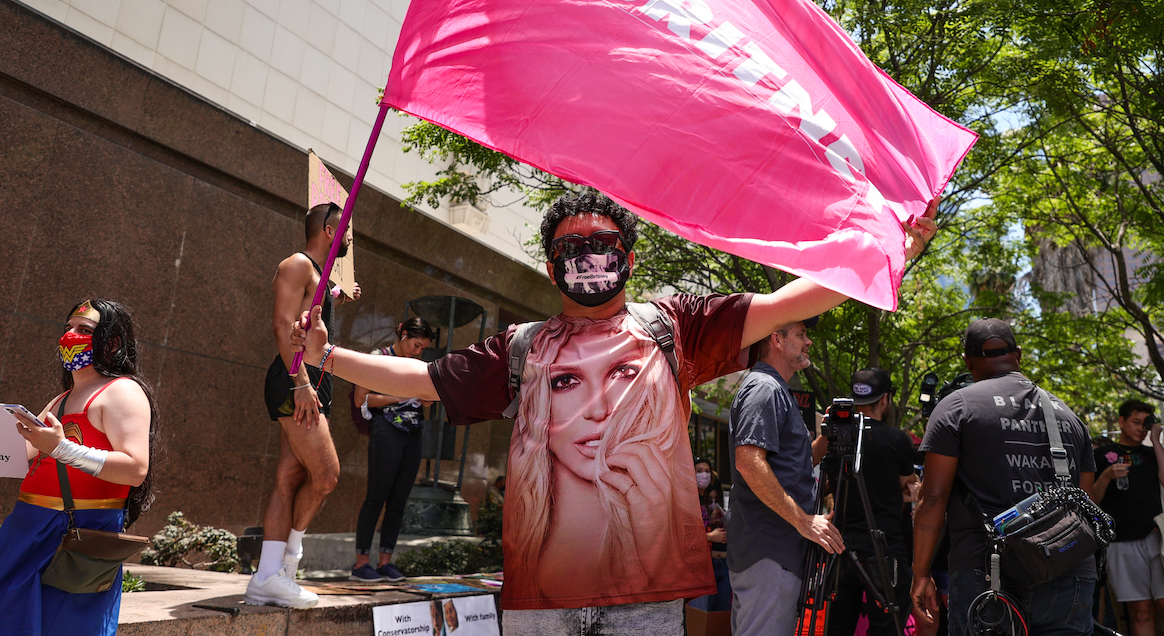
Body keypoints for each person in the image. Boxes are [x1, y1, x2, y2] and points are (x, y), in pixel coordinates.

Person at [290, 190, 937, 634]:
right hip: (541, 605)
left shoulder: (675, 328)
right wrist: (328, 356)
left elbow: (785, 304)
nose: (590, 258)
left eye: (603, 245)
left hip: (646, 605)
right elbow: (424, 378)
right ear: (552, 268)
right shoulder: (521, 348)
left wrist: (891, 252)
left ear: (628, 256)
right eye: (573, 248)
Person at [911, 319, 1097, 636]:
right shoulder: (1069, 415)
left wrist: (921, 573)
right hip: (1070, 569)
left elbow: (932, 499)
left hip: (987, 573)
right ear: (1018, 354)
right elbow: (1085, 500)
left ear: (968, 362)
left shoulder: (956, 407)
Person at [0, 298, 158, 636]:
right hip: (26, 529)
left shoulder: (123, 391)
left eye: (84, 329)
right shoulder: (61, 399)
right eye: (68, 327)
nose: (70, 335)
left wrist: (62, 448)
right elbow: (17, 454)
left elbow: (135, 469)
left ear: (112, 343)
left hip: (74, 535)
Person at [247, 201, 361, 608]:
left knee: (290, 476)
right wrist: (301, 383)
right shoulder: (296, 264)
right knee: (327, 476)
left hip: (312, 381)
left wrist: (336, 297)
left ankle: (268, 576)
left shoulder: (318, 275)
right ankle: (285, 567)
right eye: (346, 232)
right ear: (329, 231)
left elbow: (310, 315)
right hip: (297, 381)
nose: (349, 240)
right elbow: (281, 324)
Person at [726, 317, 845, 636]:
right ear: (776, 340)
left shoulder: (775, 389)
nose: (808, 342)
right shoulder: (765, 388)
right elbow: (749, 462)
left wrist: (826, 439)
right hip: (770, 550)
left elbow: (795, 463)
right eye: (801, 334)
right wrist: (803, 521)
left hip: (774, 551)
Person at [824, 368, 920, 636]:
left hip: (841, 549)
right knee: (888, 627)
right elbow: (911, 485)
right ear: (885, 399)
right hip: (884, 550)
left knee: (837, 628)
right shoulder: (897, 439)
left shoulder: (835, 440)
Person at [1090, 400, 1164, 636]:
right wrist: (1106, 476)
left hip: (1162, 541)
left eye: (1145, 424)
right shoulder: (1102, 455)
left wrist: (1155, 441)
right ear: (1121, 421)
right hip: (1122, 542)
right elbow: (1092, 500)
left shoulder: (1154, 453)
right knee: (1141, 613)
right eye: (1135, 422)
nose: (1140, 429)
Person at [350, 316, 435, 582]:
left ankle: (385, 562)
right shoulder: (379, 357)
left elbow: (424, 398)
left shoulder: (417, 365)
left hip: (414, 432)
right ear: (404, 334)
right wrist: (401, 396)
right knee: (376, 496)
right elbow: (361, 398)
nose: (418, 351)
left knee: (398, 501)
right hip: (386, 429)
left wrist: (426, 400)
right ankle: (361, 564)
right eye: (416, 345)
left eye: (423, 348)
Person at [692, 457, 731, 612]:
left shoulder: (705, 501)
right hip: (695, 568)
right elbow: (684, 534)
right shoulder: (688, 499)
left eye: (707, 471)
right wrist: (710, 537)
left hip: (707, 564)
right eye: (699, 471)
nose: (704, 475)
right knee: (698, 614)